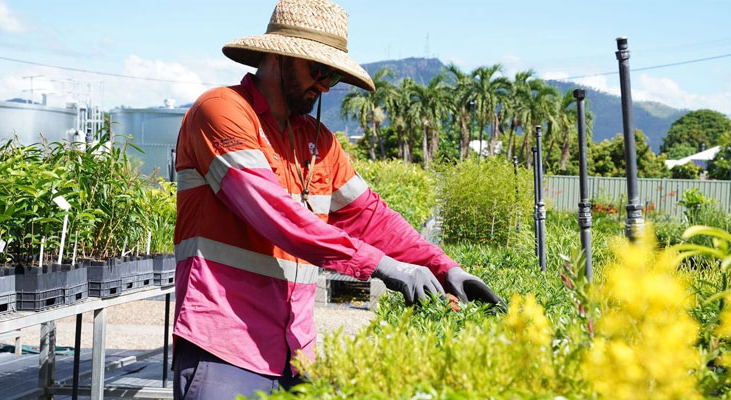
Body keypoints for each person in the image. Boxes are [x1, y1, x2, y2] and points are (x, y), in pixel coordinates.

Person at [171, 0, 502, 398]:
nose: (326, 85)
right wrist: (382, 266)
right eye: (319, 70)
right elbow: (278, 218)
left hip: (296, 352)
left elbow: (371, 217)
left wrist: (445, 268)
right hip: (226, 347)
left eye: (333, 76)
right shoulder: (222, 112)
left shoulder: (318, 141)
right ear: (280, 55)